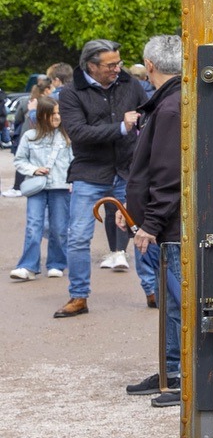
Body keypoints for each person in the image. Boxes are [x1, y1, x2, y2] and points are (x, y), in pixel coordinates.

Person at [54, 39, 145, 318]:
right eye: (110, 65)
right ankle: (78, 296)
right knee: (78, 237)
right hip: (89, 173)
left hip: (127, 171)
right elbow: (78, 133)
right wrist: (121, 127)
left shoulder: (130, 84)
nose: (117, 69)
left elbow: (149, 115)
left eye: (119, 62)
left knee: (144, 232)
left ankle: (153, 290)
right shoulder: (70, 93)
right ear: (91, 66)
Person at [122, 35, 183, 404]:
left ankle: (180, 375)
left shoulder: (171, 106)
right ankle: (172, 368)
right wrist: (137, 214)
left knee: (178, 301)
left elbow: (169, 175)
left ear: (150, 65)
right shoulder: (170, 103)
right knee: (171, 301)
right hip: (167, 222)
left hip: (172, 224)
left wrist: (150, 223)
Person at [11, 94, 69, 281]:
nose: (57, 117)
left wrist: (73, 182)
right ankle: (28, 266)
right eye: (53, 113)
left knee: (59, 227)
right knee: (33, 226)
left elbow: (74, 161)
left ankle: (57, 263)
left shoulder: (66, 137)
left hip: (61, 187)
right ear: (42, 115)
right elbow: (19, 161)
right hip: (37, 187)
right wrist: (34, 170)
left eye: (58, 113)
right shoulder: (29, 136)